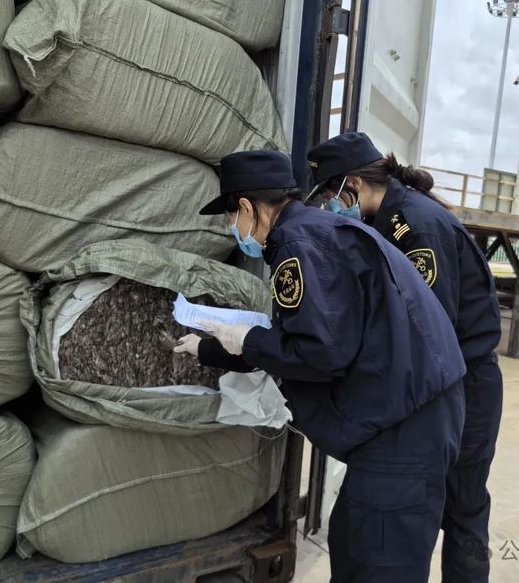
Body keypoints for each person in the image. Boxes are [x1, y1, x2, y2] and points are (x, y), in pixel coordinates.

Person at [174, 149, 466, 582]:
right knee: (351, 544)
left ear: (248, 208)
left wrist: (249, 338)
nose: (232, 229)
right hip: (404, 416)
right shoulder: (319, 230)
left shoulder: (299, 243)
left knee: (380, 564)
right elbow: (313, 335)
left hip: (407, 430)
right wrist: (211, 349)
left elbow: (319, 353)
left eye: (230, 217)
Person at [307, 132, 504, 583]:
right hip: (435, 384)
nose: (327, 207)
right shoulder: (386, 219)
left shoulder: (416, 227)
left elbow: (424, 333)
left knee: (462, 510)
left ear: (352, 184)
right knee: (413, 511)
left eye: (329, 195)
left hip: (462, 388)